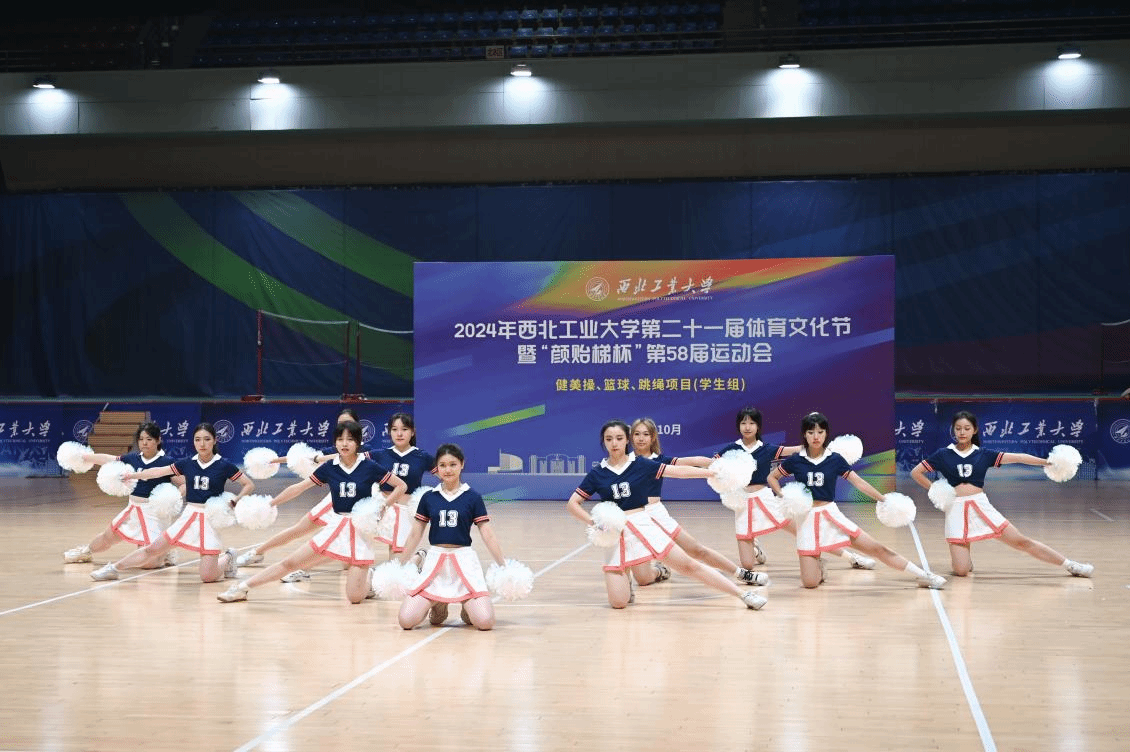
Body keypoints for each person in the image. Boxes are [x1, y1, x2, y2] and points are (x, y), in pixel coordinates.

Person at [566, 420, 768, 610]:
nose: (614, 443)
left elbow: (679, 471)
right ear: (604, 442)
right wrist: (595, 523)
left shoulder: (641, 464)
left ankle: (743, 595)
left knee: (689, 565)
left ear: (627, 440)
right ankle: (627, 582)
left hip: (644, 523)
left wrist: (713, 473)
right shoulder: (597, 473)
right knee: (619, 603)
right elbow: (573, 503)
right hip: (615, 533)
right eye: (609, 439)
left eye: (619, 438)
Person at [217, 420, 407, 604]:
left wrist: (383, 506)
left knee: (355, 598)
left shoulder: (369, 466)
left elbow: (401, 486)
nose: (344, 444)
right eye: (340, 439)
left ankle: (369, 578)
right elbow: (298, 488)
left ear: (358, 443)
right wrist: (271, 503)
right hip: (336, 527)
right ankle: (241, 588)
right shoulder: (330, 467)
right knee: (290, 563)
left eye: (350, 439)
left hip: (360, 532)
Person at [766, 412, 946, 590]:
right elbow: (772, 477)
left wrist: (884, 499)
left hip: (830, 515)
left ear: (826, 434)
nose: (816, 436)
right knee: (809, 583)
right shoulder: (796, 460)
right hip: (805, 519)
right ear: (804, 434)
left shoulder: (835, 459)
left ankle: (924, 575)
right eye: (811, 432)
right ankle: (819, 567)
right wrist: (783, 495)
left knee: (876, 548)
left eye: (820, 432)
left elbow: (858, 482)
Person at [909, 409, 1094, 578]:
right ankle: (966, 560)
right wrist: (936, 489)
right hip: (955, 509)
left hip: (980, 505)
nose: (962, 432)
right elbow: (916, 472)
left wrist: (1047, 462)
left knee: (1021, 541)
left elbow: (1019, 457)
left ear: (974, 430)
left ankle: (1070, 565)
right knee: (961, 571)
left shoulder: (983, 454)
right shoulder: (943, 454)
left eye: (966, 428)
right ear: (953, 430)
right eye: (958, 429)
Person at [714, 406, 876, 573]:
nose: (747, 427)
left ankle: (852, 558)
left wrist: (822, 446)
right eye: (743, 423)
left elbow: (797, 449)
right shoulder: (731, 449)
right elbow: (712, 463)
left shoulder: (767, 449)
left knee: (808, 533)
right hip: (742, 504)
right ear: (738, 426)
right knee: (748, 566)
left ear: (758, 426)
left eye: (752, 423)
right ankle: (755, 550)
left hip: (766, 500)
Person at [91, 422, 253, 583]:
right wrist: (132, 476)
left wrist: (236, 499)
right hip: (189, 515)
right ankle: (113, 569)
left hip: (210, 519)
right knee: (152, 549)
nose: (202, 444)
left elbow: (249, 484)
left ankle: (228, 557)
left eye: (207, 439)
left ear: (215, 440)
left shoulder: (224, 465)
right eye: (197, 440)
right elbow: (157, 472)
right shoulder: (187, 463)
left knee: (208, 577)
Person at [628, 417, 769, 588]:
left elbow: (692, 462)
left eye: (645, 434)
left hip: (655, 514)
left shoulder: (659, 460)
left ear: (652, 437)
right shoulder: (625, 462)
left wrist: (721, 466)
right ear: (631, 437)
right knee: (643, 579)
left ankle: (742, 573)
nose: (641, 438)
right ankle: (660, 570)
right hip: (632, 516)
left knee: (696, 550)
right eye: (637, 434)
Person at [236, 407, 371, 578]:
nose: (344, 427)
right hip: (335, 501)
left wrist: (319, 458)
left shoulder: (368, 451)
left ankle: (302, 568)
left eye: (348, 423)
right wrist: (271, 461)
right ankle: (257, 552)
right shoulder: (335, 450)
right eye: (340, 424)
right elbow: (306, 459)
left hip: (359, 506)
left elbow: (354, 456)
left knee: (346, 558)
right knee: (299, 529)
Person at [397, 444, 506, 630]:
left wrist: (503, 565)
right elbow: (415, 533)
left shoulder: (472, 497)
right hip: (435, 562)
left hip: (464, 562)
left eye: (453, 464)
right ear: (437, 468)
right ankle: (438, 603)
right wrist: (398, 565)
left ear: (462, 464)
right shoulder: (429, 497)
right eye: (443, 465)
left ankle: (466, 606)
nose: (447, 470)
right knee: (406, 621)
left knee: (485, 622)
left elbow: (487, 534)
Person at [63, 421, 180, 568]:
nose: (144, 443)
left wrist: (173, 497)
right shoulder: (132, 458)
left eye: (149, 439)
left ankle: (166, 551)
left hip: (154, 514)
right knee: (108, 536)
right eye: (141, 439)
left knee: (150, 564)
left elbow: (183, 484)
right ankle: (86, 551)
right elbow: (109, 460)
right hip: (133, 509)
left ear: (158, 440)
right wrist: (85, 457)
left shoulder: (167, 462)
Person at [370, 412, 437, 563]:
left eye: (404, 429)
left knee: (397, 560)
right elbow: (350, 458)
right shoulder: (381, 454)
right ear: (389, 432)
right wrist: (319, 458)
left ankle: (419, 557)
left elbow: (446, 475)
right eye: (394, 429)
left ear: (412, 432)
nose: (399, 434)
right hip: (385, 510)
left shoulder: (422, 456)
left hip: (407, 512)